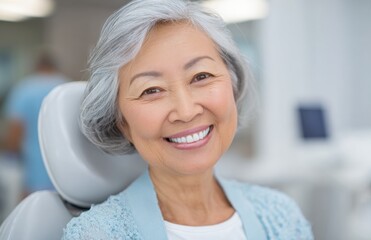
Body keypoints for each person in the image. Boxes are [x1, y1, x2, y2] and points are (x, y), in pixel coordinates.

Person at [63, 0, 314, 239]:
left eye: (201, 76)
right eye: (151, 90)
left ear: (233, 86)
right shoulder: (97, 235)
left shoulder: (281, 216)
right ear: (122, 122)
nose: (186, 111)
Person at [1, 53, 68, 196]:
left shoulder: (24, 89)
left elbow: (14, 134)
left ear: (37, 67)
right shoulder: (68, 87)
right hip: (67, 174)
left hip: (34, 173)